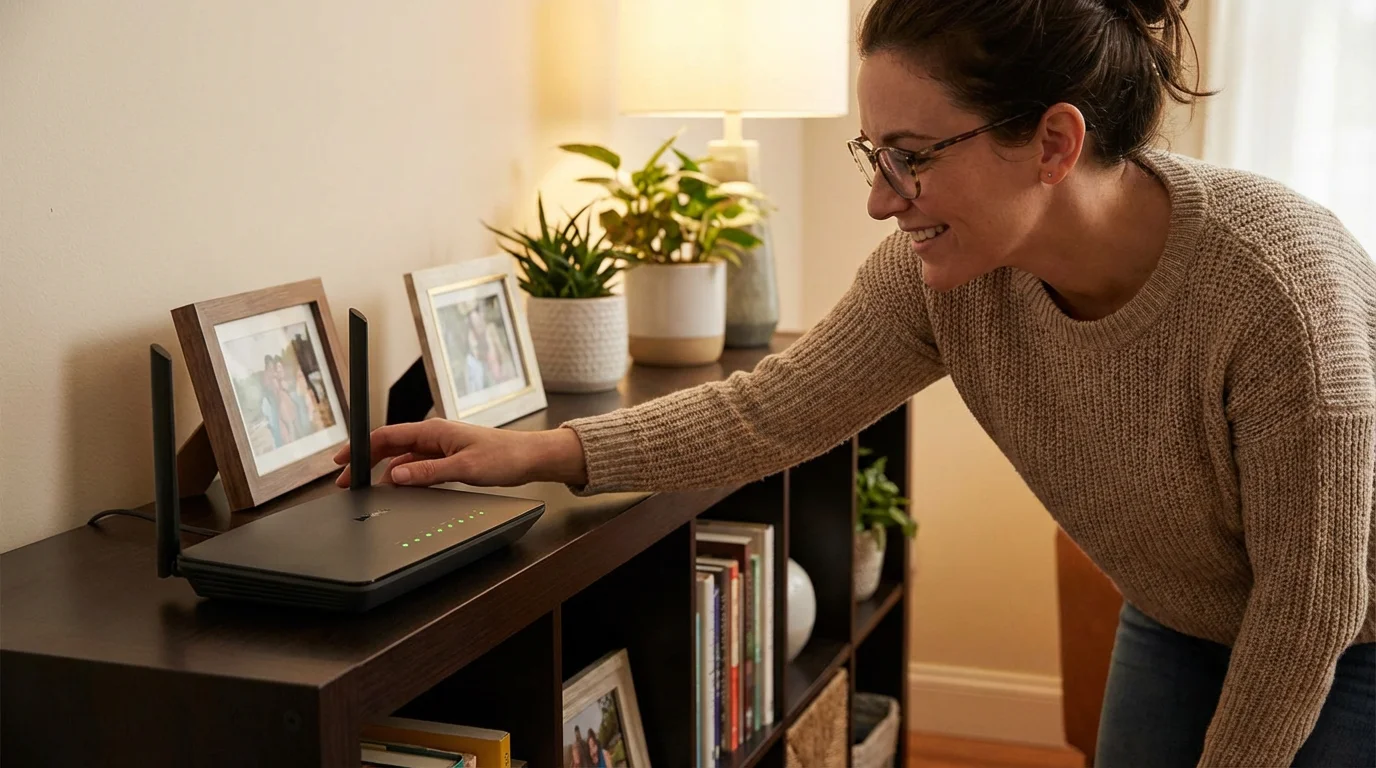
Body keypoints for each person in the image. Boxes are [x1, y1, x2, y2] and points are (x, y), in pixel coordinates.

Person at [335, 0, 1375, 764]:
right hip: (1177, 610)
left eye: (912, 156)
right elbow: (768, 413)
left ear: (1053, 143)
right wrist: (548, 452)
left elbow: (1309, 600)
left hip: (1354, 630)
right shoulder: (947, 279)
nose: (882, 200)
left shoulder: (1273, 288)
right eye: (872, 153)